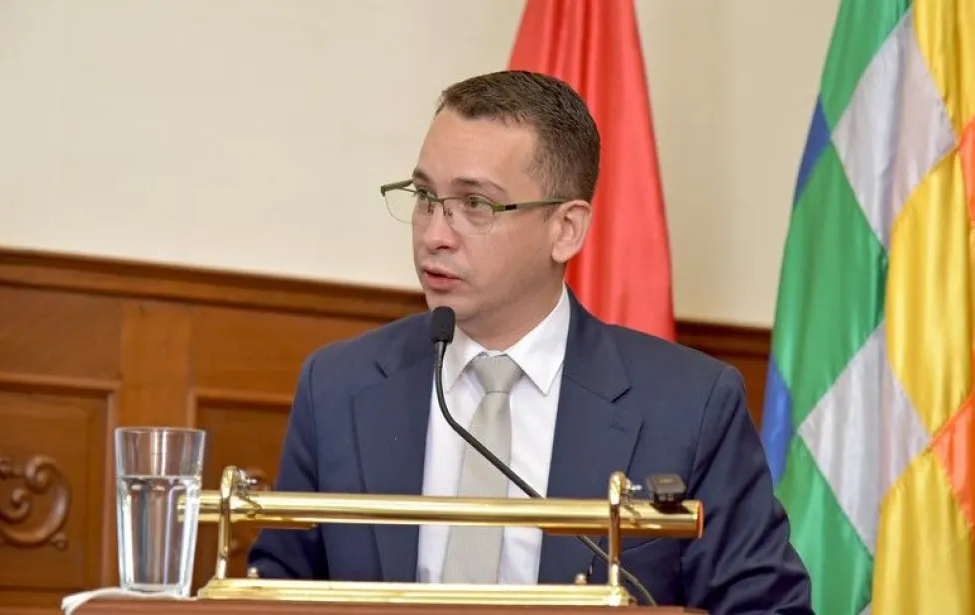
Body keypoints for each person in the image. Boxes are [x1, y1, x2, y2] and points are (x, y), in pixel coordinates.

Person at [247, 70, 813, 612]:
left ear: (566, 229)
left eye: (475, 204)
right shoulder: (340, 386)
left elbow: (763, 608)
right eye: (424, 197)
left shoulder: (687, 406)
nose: (435, 235)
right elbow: (272, 593)